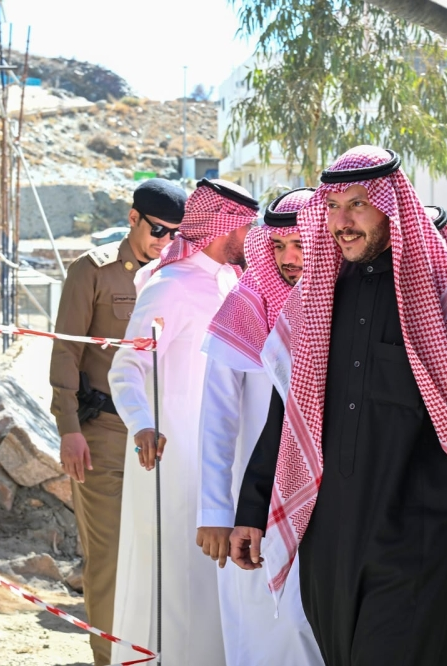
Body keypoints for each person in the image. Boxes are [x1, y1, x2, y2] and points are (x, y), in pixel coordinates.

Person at [231, 146, 447, 666]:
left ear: (393, 205)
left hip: (419, 534)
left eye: (358, 204)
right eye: (333, 206)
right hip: (330, 538)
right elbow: (285, 419)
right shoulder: (314, 298)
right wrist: (252, 510)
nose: (342, 221)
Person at [108, 178, 258, 665]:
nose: (251, 238)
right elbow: (128, 367)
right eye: (245, 228)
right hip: (170, 458)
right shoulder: (170, 286)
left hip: (219, 458)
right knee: (173, 578)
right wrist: (142, 424)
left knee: (213, 584)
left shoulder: (230, 282)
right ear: (224, 227)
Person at [48, 178, 186, 666]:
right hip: (104, 435)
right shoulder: (94, 270)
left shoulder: (180, 274)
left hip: (163, 440)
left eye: (174, 232)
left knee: (159, 556)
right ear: (134, 218)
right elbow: (67, 349)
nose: (164, 240)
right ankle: (108, 658)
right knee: (108, 559)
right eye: (157, 229)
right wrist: (68, 428)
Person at [197, 186, 323, 666]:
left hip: (327, 497)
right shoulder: (244, 308)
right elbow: (218, 419)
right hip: (252, 506)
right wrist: (214, 510)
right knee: (259, 622)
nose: (290, 258)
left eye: (301, 245)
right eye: (278, 246)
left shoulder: (340, 306)